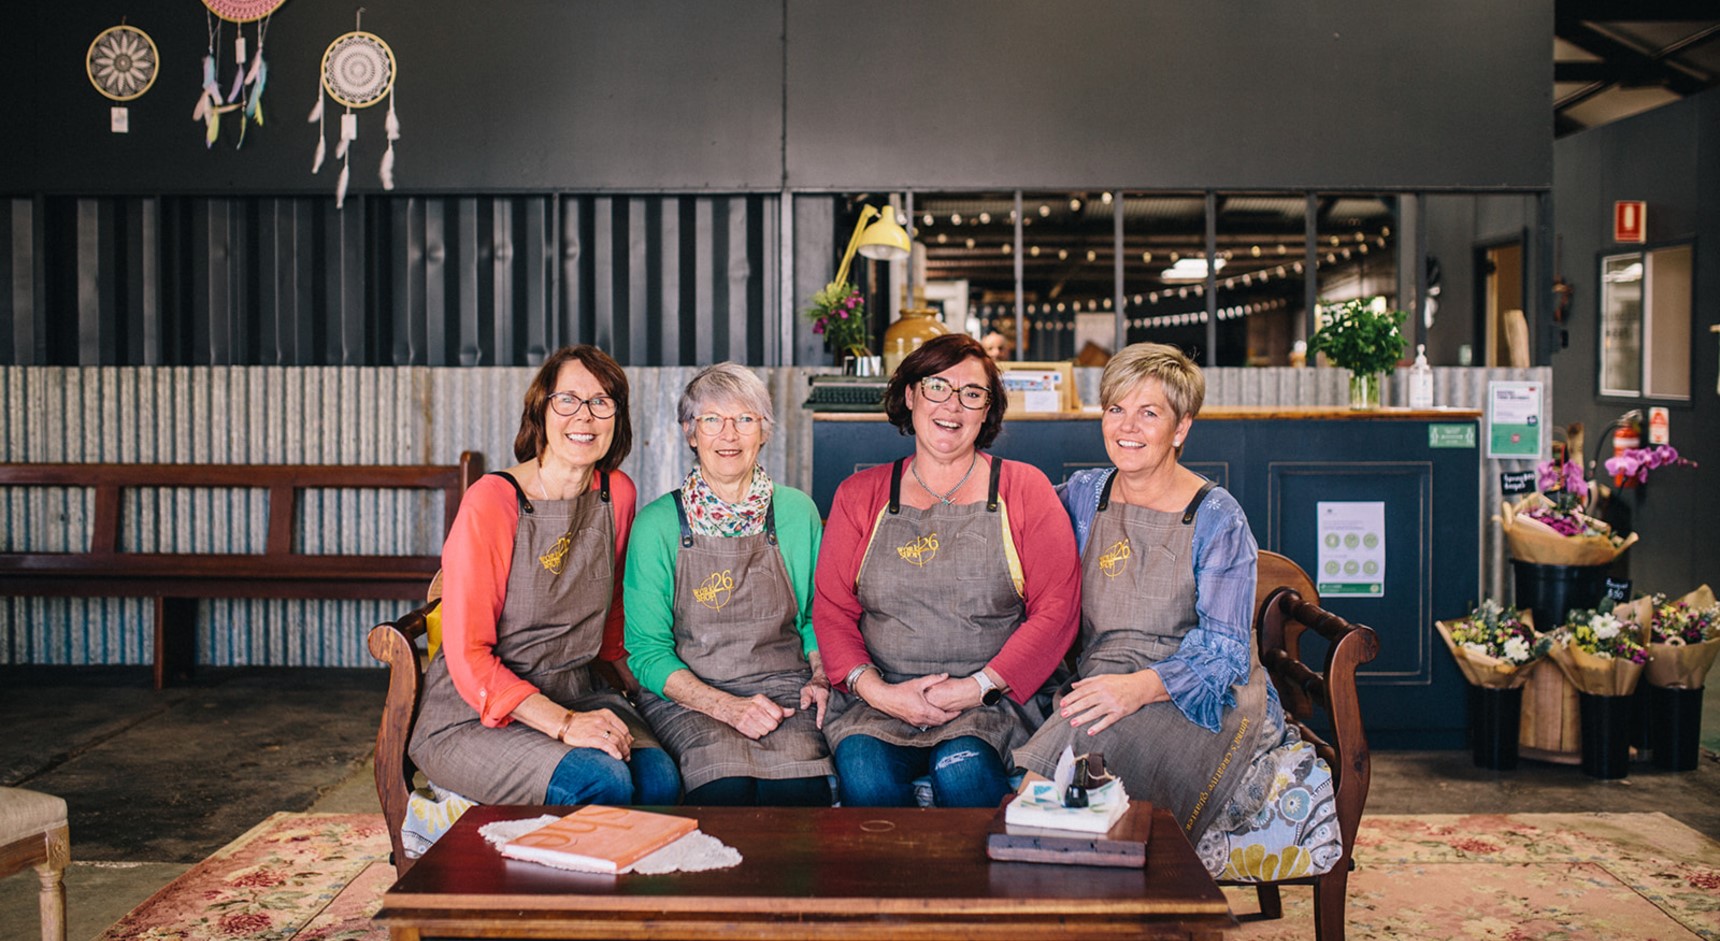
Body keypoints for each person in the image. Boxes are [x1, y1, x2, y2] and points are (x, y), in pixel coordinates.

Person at [1012, 342, 1334, 866]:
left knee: (1066, 752)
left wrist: (1137, 689)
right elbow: (1012, 516)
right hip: (1107, 676)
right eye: (1115, 409)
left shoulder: (1217, 516)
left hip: (1205, 695)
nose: (1127, 427)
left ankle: (1085, 890)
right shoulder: (1083, 496)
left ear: (1181, 428)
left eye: (1149, 413)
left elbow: (1226, 651)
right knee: (1071, 739)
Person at [813, 333, 1080, 808]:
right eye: (937, 386)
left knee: (963, 770)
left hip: (993, 702)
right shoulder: (859, 495)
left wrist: (975, 688)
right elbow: (833, 611)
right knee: (863, 771)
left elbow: (1057, 609)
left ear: (987, 410)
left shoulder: (1023, 489)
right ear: (911, 395)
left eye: (972, 394)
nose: (952, 407)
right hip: (878, 702)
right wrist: (879, 692)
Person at [408, 345, 680, 806]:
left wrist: (664, 693)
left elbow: (614, 614)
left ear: (617, 418)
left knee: (661, 782)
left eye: (601, 402)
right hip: (479, 710)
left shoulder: (619, 493)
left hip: (579, 692)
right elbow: (469, 654)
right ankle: (564, 878)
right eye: (567, 400)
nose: (585, 417)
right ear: (541, 409)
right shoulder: (493, 501)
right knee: (603, 781)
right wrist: (565, 725)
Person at [624, 363, 833, 806]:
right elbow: (646, 652)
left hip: (785, 688)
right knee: (725, 791)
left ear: (764, 430)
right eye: (712, 420)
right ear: (690, 432)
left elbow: (817, 615)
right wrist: (723, 706)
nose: (729, 434)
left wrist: (821, 676)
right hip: (690, 694)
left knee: (800, 793)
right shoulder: (656, 525)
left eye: (744, 419)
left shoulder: (798, 512)